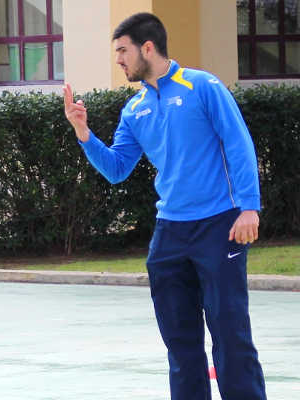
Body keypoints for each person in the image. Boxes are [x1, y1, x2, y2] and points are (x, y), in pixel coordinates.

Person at [64, 12, 266, 400]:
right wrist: (84, 133)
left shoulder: (202, 85)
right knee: (180, 340)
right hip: (170, 233)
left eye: (123, 51)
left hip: (219, 223)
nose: (119, 60)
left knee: (230, 333)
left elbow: (238, 143)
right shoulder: (134, 109)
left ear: (148, 47)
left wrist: (249, 207)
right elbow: (118, 169)